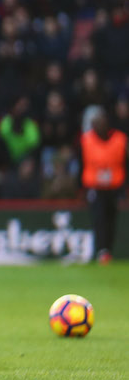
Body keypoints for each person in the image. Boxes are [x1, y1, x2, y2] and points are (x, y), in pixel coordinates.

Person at [80, 106, 127, 265]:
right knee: (98, 219)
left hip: (114, 187)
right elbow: (81, 164)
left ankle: (108, 250)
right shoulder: (86, 140)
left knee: (111, 220)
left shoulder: (120, 139)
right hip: (95, 187)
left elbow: (124, 164)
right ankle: (101, 251)